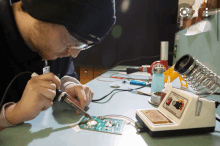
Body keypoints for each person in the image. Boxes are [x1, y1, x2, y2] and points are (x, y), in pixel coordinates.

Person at [0, 0, 116, 131]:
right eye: (73, 41)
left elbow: (64, 71)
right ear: (44, 11)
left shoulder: (56, 45)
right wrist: (13, 114)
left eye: (83, 45)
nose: (74, 54)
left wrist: (67, 85)